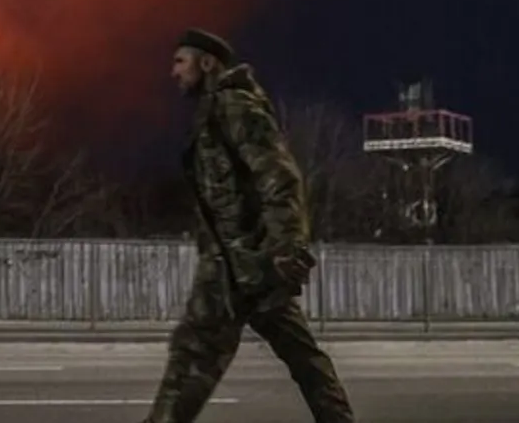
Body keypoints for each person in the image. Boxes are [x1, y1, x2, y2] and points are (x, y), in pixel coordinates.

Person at [139, 28, 356, 423]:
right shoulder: (210, 113)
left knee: (291, 358)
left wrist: (287, 247)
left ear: (206, 64)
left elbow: (279, 176)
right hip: (231, 267)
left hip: (252, 264)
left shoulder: (233, 105)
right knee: (198, 359)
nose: (173, 72)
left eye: (180, 62)